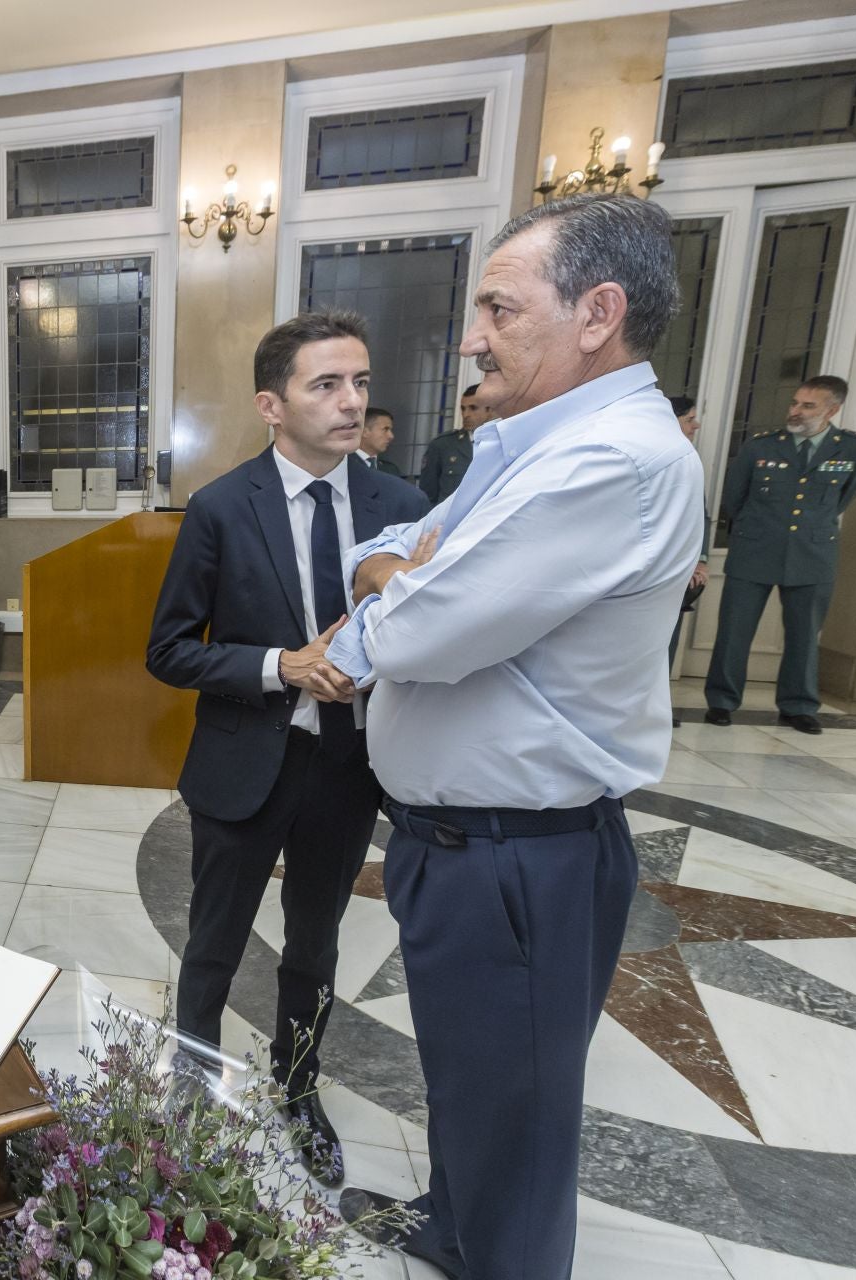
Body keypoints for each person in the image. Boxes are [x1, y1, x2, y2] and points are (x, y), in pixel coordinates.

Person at [325, 194, 702, 1279]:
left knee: (520, 1118)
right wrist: (398, 572)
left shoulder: (609, 461)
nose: (473, 336)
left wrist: (392, 590)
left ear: (598, 313)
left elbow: (411, 630)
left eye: (499, 307)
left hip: (519, 855)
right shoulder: (538, 442)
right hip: (467, 843)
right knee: (473, 1081)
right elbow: (396, 547)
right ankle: (454, 1229)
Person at [146, 312, 429, 1186]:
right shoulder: (222, 508)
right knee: (214, 939)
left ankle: (298, 1088)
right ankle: (192, 1085)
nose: (352, 403)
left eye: (361, 383)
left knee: (315, 941)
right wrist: (282, 666)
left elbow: (428, 631)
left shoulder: (403, 507)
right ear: (272, 404)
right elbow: (169, 650)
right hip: (245, 762)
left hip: (347, 769)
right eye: (326, 385)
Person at [702, 376, 856, 734]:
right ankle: (721, 701)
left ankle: (798, 706)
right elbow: (735, 498)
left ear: (832, 410)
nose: (795, 411)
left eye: (808, 406)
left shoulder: (855, 449)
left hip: (813, 554)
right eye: (795, 402)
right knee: (734, 631)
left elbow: (843, 499)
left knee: (804, 636)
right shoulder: (761, 446)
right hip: (754, 550)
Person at [667, 395, 712, 727]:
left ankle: (657, 705)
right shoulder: (651, 455)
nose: (695, 426)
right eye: (689, 419)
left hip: (678, 569)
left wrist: (700, 559)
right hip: (650, 568)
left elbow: (701, 515)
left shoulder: (689, 458)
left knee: (669, 639)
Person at [415, 384, 489, 503]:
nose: (466, 414)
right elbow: (428, 496)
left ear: (490, 409)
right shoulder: (444, 445)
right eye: (463, 409)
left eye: (473, 408)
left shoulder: (501, 443)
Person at [356, 408, 403, 477]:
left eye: (390, 430)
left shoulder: (390, 470)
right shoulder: (343, 464)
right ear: (364, 432)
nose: (391, 436)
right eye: (385, 429)